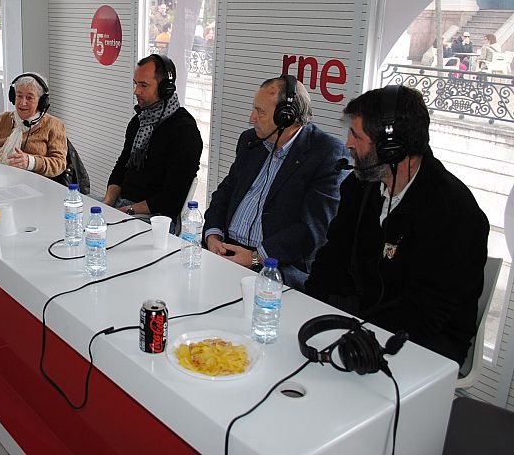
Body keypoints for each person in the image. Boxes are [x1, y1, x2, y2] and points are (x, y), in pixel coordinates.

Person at [305, 85, 489, 365]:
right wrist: (306, 310)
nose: (348, 144)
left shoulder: (455, 213)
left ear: (392, 148)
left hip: (423, 342)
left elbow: (429, 314)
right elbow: (333, 255)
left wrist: (361, 339)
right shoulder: (360, 185)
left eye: (356, 135)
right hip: (362, 318)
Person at [203, 75, 349, 289]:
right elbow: (226, 192)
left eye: (260, 112)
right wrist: (212, 234)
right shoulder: (250, 140)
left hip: (273, 267)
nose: (251, 118)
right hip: (226, 252)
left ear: (286, 117)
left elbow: (314, 229)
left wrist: (256, 257)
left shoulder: (326, 154)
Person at [103, 54, 203, 223]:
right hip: (124, 207)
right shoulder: (138, 121)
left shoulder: (184, 131)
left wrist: (126, 211)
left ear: (166, 88)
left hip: (156, 217)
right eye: (135, 84)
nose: (136, 91)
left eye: (143, 85)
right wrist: (107, 203)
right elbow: (121, 167)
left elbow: (172, 197)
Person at [0, 72, 67, 178]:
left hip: (32, 186)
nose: (23, 102)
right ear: (13, 97)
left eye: (29, 98)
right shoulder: (0, 119)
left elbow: (59, 164)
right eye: (19, 96)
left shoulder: (54, 125)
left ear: (41, 101)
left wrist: (31, 162)